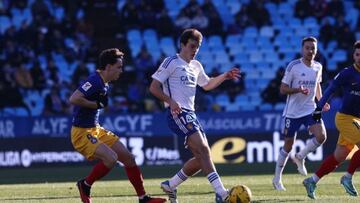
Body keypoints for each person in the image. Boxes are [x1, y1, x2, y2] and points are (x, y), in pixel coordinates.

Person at [149, 28, 241, 203]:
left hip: (190, 113)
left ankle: (171, 184)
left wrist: (224, 76)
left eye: (197, 47)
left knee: (202, 158)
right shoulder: (171, 62)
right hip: (177, 112)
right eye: (192, 46)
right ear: (182, 45)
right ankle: (222, 193)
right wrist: (170, 101)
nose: (194, 50)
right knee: (204, 150)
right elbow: (153, 87)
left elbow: (206, 85)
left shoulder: (196, 66)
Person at [69, 48, 166, 203]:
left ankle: (143, 198)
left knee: (129, 158)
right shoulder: (94, 80)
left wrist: (96, 105)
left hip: (95, 129)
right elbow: (74, 98)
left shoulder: (104, 83)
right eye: (118, 67)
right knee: (111, 159)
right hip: (81, 133)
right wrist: (94, 104)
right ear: (108, 66)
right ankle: (85, 185)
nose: (121, 71)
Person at [303, 41, 360, 199]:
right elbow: (330, 90)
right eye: (357, 54)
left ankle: (312, 180)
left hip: (358, 120)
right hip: (345, 118)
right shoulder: (347, 73)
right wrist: (318, 108)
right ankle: (347, 177)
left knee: (339, 156)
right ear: (353, 56)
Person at [272, 37, 330, 191]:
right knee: (288, 145)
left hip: (310, 109)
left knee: (322, 136)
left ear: (316, 50)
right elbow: (282, 89)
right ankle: (277, 179)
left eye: (313, 48)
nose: (310, 51)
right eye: (307, 48)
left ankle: (300, 156)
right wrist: (298, 89)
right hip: (293, 112)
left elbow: (317, 85)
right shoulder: (294, 66)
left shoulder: (318, 66)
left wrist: (321, 101)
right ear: (302, 49)